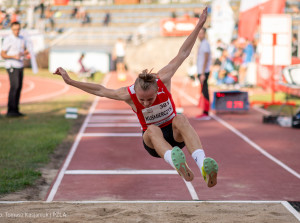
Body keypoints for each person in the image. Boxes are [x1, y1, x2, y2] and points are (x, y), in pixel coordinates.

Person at [54, 7, 218, 188]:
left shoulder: (163, 78)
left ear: (157, 89)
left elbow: (183, 53)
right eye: (142, 100)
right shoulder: (128, 94)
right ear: (136, 94)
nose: (146, 103)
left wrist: (199, 25)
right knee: (152, 130)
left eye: (150, 99)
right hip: (154, 142)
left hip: (174, 133)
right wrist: (71, 82)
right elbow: (100, 90)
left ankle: (203, 166)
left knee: (180, 118)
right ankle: (176, 162)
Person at [1, 21, 29, 117]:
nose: (17, 31)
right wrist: (13, 56)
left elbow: (22, 51)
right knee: (14, 86)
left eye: (18, 29)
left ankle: (16, 109)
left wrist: (25, 53)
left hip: (20, 65)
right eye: (15, 29)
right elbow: (3, 54)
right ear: (11, 30)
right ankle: (10, 110)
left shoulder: (22, 39)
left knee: (19, 87)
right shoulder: (8, 39)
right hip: (12, 65)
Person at [195, 27, 212, 120]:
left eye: (201, 33)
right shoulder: (202, 44)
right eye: (198, 33)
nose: (199, 35)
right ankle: (204, 111)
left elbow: (206, 58)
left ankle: (206, 112)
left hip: (203, 72)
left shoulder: (205, 44)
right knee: (203, 91)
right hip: (201, 71)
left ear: (204, 34)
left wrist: (202, 73)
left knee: (205, 91)